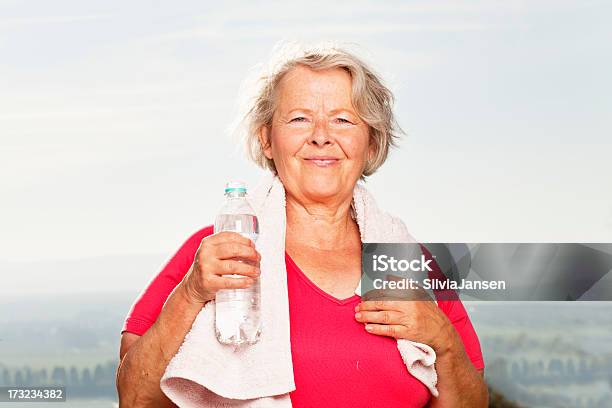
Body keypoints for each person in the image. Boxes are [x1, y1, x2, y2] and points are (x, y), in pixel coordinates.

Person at [116, 43, 488, 407]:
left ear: (371, 143)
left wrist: (442, 339)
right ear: (266, 139)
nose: (321, 135)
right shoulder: (218, 253)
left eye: (342, 119)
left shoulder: (409, 262)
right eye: (299, 119)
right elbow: (135, 399)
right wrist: (191, 294)